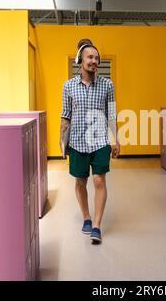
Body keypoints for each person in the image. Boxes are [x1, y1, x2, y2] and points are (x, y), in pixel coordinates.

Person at [60, 38, 120, 244]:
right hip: (76, 141)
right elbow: (65, 116)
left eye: (97, 58)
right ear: (80, 60)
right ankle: (86, 217)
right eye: (90, 57)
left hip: (100, 140)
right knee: (80, 181)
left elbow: (111, 114)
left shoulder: (107, 85)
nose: (94, 61)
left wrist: (115, 139)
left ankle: (96, 225)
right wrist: (62, 142)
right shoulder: (68, 86)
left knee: (99, 180)